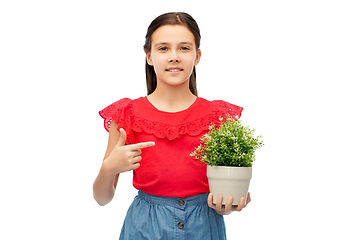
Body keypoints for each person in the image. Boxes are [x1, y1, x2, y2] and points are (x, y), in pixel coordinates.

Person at [93, 12, 251, 240]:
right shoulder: (128, 114)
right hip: (144, 228)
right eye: (163, 48)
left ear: (197, 56)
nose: (174, 56)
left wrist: (227, 203)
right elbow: (102, 198)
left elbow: (227, 190)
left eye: (184, 48)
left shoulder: (219, 117)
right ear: (149, 56)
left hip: (204, 228)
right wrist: (109, 168)